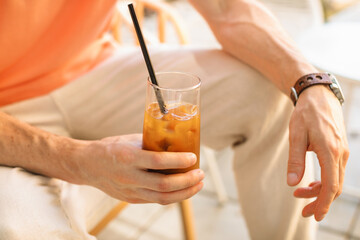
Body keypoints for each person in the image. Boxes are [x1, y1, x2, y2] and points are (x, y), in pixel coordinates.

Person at [0, 0, 349, 239]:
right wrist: (75, 160)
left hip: (92, 67)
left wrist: (309, 83)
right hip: (7, 115)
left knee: (273, 91)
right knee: (21, 229)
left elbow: (226, 8)